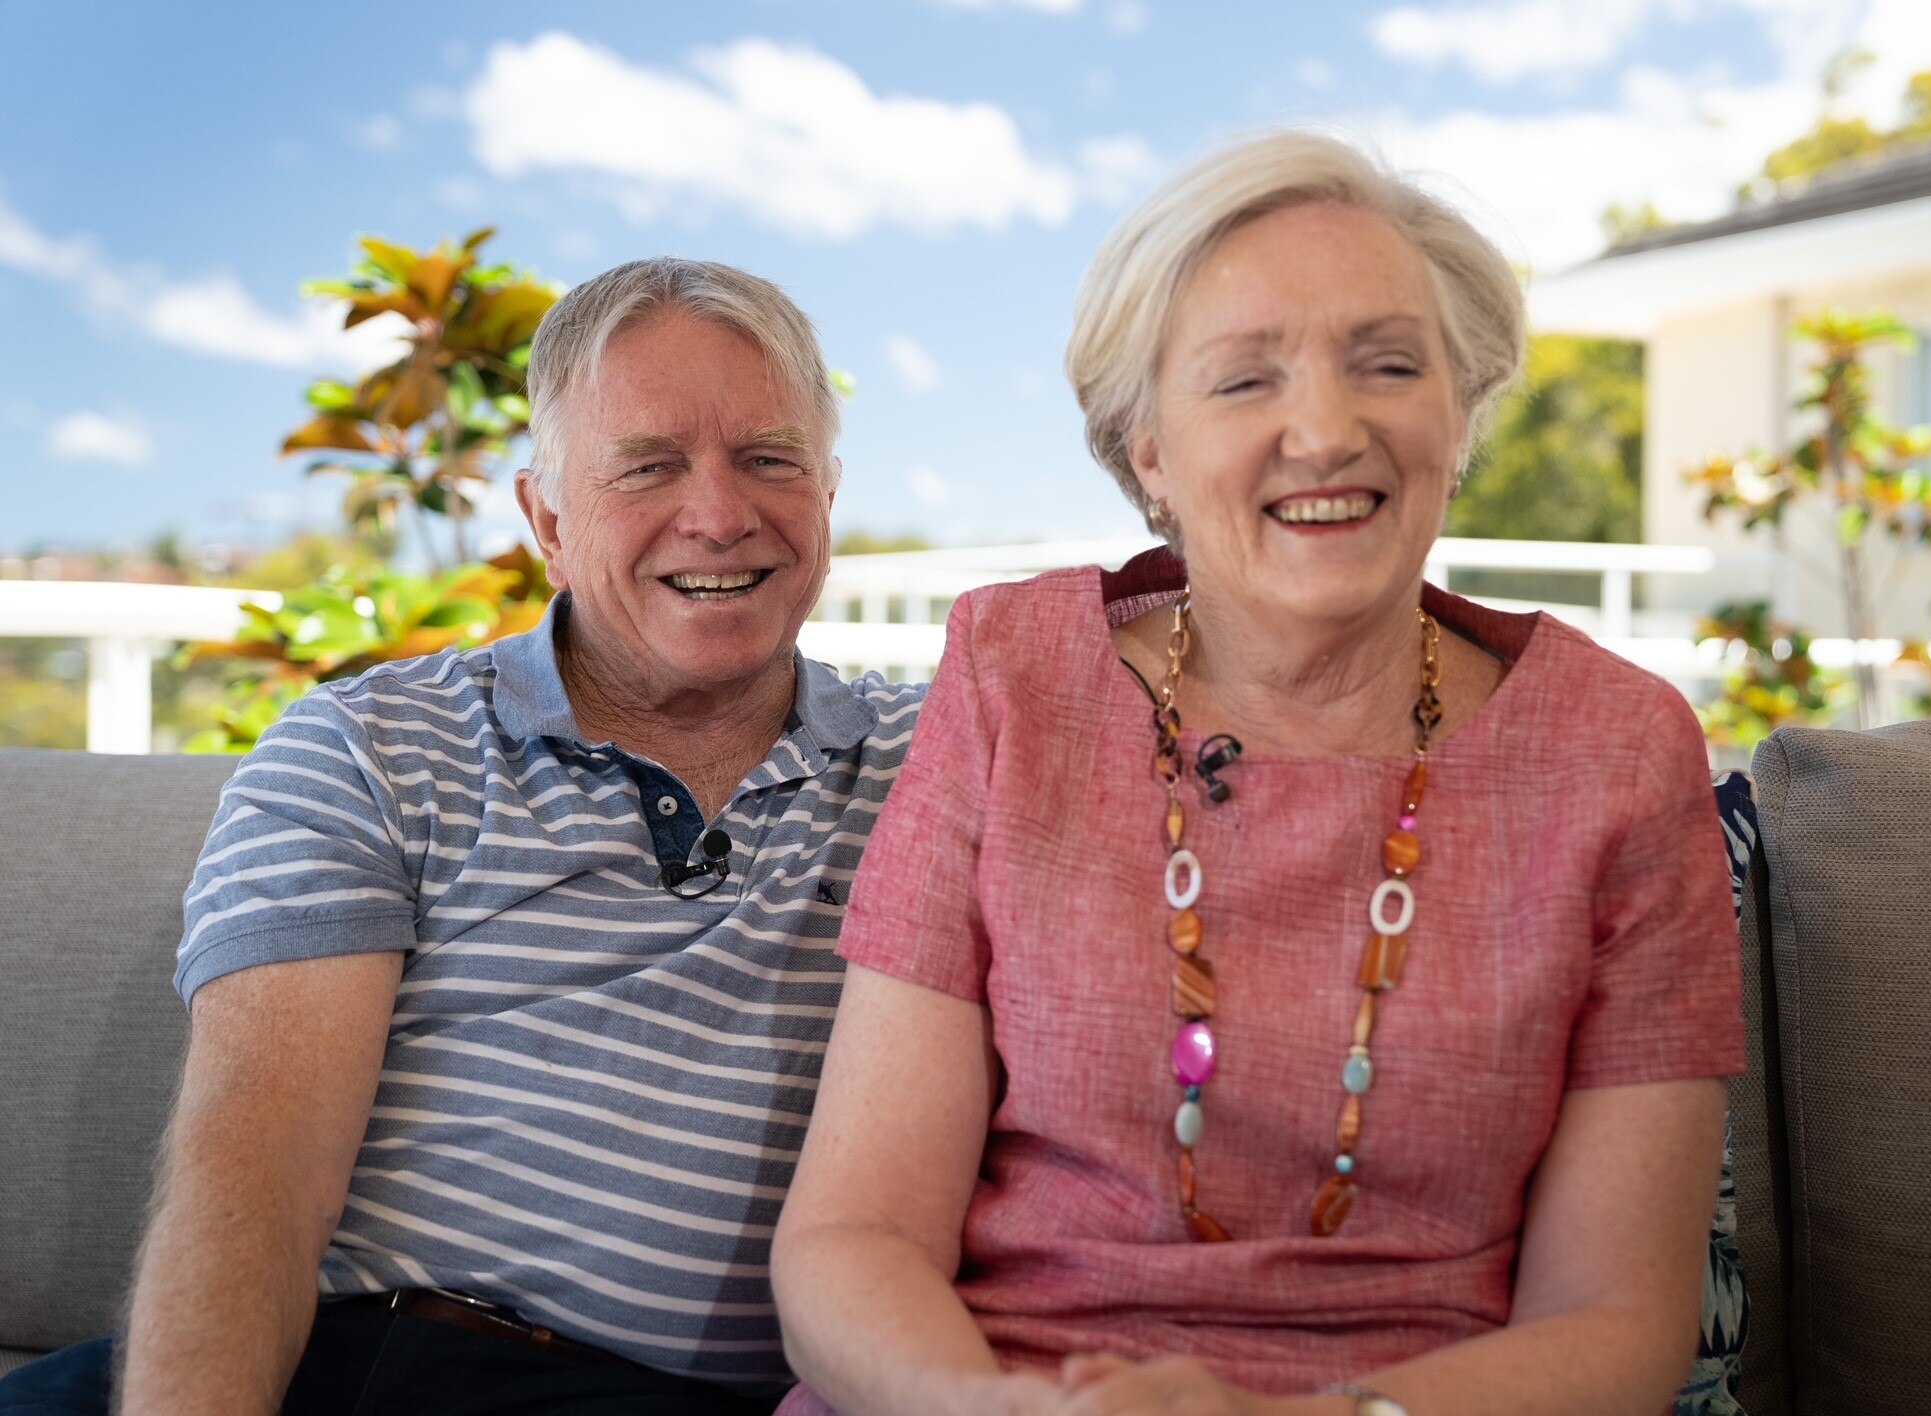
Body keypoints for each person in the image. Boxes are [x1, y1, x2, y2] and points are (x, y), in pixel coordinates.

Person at [769, 131, 1744, 1416]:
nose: (1326, 430)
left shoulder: (1614, 749)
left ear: (1459, 415)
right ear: (1148, 453)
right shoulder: (1012, 676)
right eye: (1243, 382)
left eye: (1388, 365)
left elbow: (1614, 1322)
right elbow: (852, 1238)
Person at [0, 258, 921, 1416]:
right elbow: (259, 1171)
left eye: (768, 460)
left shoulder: (934, 764)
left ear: (827, 495)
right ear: (544, 517)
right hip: (322, 1368)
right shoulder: (369, 747)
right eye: (647, 465)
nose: (720, 514)